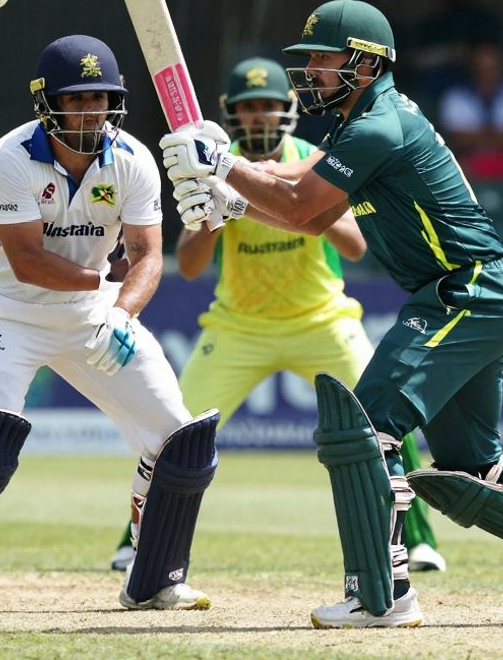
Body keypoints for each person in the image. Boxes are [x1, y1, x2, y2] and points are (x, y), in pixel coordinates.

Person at [162, 0, 503, 628]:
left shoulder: (376, 126)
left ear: (364, 63)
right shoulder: (361, 123)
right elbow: (308, 214)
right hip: (472, 292)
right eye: (306, 59)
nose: (307, 71)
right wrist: (229, 203)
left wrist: (222, 165)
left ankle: (381, 593)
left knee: (363, 428)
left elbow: (297, 198)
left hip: (463, 290)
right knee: (470, 466)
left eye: (320, 58)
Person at [0, 35, 217, 616]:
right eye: (77, 99)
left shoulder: (133, 160)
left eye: (103, 98)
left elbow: (149, 256)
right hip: (7, 311)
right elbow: (30, 260)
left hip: (93, 312)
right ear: (47, 104)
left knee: (179, 438)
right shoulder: (9, 158)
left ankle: (155, 577)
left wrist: (119, 311)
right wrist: (104, 287)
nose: (92, 111)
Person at [108, 57, 448, 574]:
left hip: (323, 321)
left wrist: (302, 201)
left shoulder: (316, 157)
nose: (260, 117)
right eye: (249, 109)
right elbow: (194, 267)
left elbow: (355, 247)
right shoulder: (216, 168)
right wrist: (213, 213)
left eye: (269, 106)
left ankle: (419, 540)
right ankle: (138, 543)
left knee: (383, 424)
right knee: (175, 430)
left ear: (287, 110)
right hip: (240, 327)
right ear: (232, 115)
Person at [437, 41, 503, 183]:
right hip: (471, 159)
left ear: (501, 68)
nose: (486, 74)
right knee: (455, 167)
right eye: (481, 69)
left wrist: (479, 137)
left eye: (491, 69)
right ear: (473, 69)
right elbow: (458, 139)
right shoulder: (454, 97)